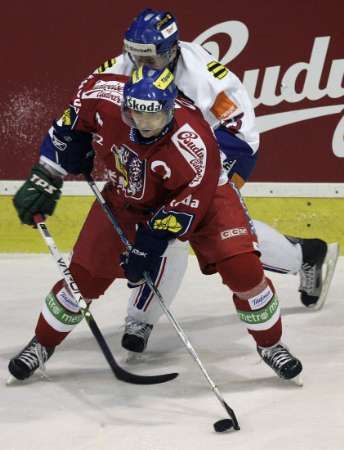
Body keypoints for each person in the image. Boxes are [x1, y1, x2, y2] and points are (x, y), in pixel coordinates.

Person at [9, 67, 302, 382]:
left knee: (244, 272)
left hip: (205, 199)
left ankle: (271, 345)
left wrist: (147, 247)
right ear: (124, 105)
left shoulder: (194, 142)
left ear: (170, 107)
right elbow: (69, 123)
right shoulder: (101, 92)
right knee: (82, 280)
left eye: (155, 117)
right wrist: (49, 172)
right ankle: (41, 344)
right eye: (137, 115)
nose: (145, 126)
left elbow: (185, 208)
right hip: (129, 195)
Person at [90, 8, 339, 353]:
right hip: (164, 153)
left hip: (226, 149)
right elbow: (90, 104)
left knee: (187, 227)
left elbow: (239, 132)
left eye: (150, 56)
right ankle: (307, 254)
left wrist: (194, 177)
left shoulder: (206, 77)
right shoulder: (125, 67)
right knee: (175, 225)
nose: (140, 63)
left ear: (172, 49)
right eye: (136, 54)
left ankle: (141, 317)